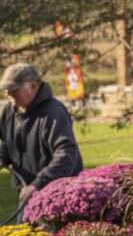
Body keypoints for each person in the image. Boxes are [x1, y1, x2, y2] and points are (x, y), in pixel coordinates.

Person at [0, 63, 83, 213]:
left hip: (59, 198)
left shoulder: (54, 112)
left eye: (13, 89)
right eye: (6, 89)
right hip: (28, 192)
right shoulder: (8, 111)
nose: (8, 93)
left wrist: (38, 184)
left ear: (33, 86)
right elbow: (8, 142)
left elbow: (66, 155)